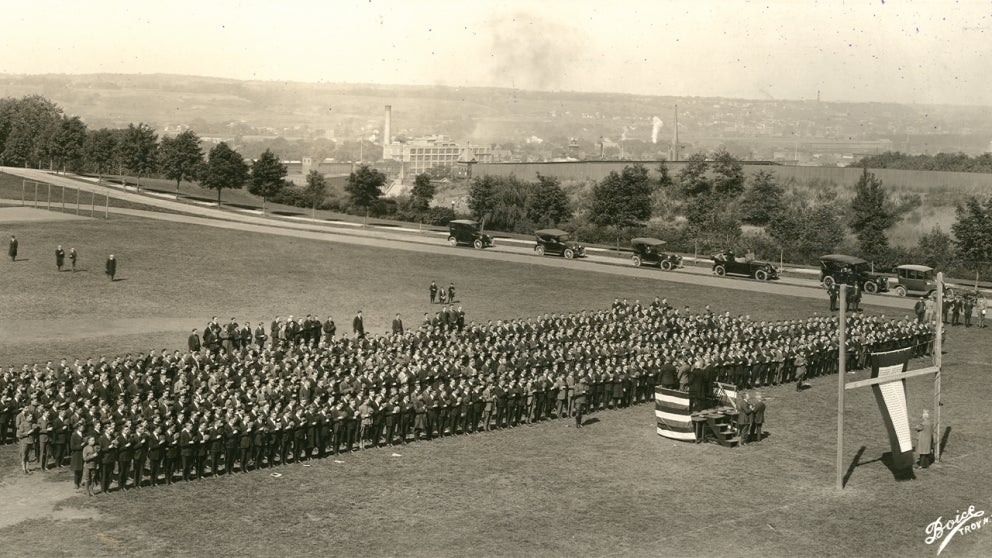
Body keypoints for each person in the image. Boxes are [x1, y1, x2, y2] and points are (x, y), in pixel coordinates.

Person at [16, 407, 36, 474]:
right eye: (30, 417)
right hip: (24, 442)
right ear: (26, 417)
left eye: (32, 417)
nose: (31, 418)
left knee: (28, 456)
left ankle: (27, 468)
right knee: (23, 455)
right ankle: (24, 469)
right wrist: (28, 433)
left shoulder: (32, 424)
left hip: (30, 441)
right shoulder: (22, 424)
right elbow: (20, 434)